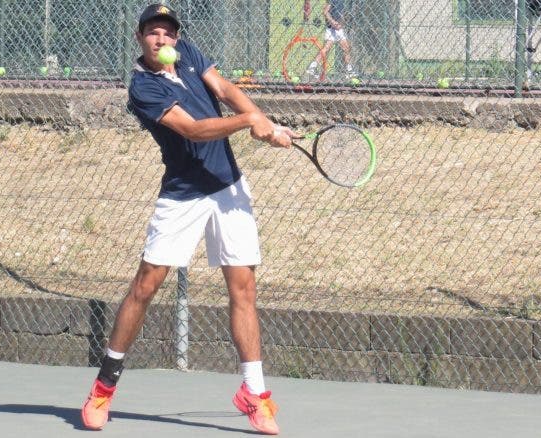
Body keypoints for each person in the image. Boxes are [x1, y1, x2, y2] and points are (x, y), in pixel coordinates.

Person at [81, 4, 293, 435]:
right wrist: (249, 121)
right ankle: (104, 387)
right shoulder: (142, 88)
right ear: (140, 38)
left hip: (228, 187)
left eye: (169, 33)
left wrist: (264, 122)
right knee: (145, 285)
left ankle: (255, 392)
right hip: (182, 197)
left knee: (244, 288)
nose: (163, 40)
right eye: (154, 33)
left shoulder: (189, 53)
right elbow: (194, 129)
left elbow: (227, 88)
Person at [306, 0, 357, 80]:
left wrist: (341, 23)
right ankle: (312, 67)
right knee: (326, 49)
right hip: (331, 28)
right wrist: (333, 23)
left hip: (338, 28)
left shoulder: (344, 2)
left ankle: (349, 71)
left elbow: (343, 14)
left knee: (346, 48)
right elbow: (325, 12)